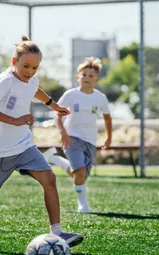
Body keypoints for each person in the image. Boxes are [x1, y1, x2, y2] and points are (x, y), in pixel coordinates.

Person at [0, 36, 84, 249]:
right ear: (14, 62)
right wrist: (15, 120)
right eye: (25, 66)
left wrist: (54, 105)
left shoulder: (32, 80)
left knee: (49, 178)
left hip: (23, 145)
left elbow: (35, 90)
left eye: (35, 67)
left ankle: (58, 233)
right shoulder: (4, 81)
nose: (30, 71)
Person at [44, 57, 112, 213]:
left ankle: (54, 159)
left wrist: (109, 137)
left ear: (97, 80)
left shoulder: (100, 98)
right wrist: (63, 133)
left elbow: (107, 118)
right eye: (84, 75)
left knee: (80, 175)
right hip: (72, 138)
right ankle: (83, 205)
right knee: (79, 172)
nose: (87, 78)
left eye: (91, 75)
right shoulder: (70, 95)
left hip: (90, 140)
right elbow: (58, 115)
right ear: (78, 78)